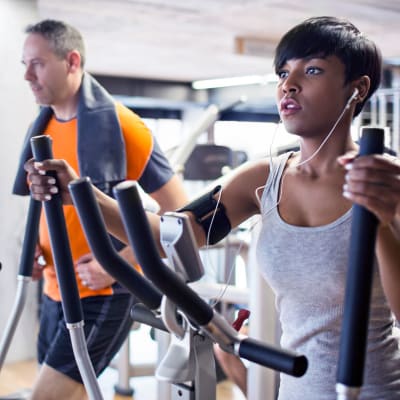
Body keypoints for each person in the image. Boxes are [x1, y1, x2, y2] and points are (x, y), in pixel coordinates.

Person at [25, 16, 400, 399]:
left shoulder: (387, 184)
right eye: (283, 73)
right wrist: (81, 193)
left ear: (358, 88)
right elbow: (170, 235)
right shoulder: (261, 180)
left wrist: (384, 222)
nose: (289, 84)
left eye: (313, 70)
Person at [14, 19, 188, 400]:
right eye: (24, 63)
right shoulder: (41, 129)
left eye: (37, 63)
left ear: (72, 61)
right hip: (54, 291)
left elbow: (182, 216)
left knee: (46, 396)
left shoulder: (126, 128)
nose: (27, 74)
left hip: (105, 295)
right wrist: (35, 254)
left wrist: (117, 261)